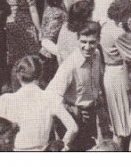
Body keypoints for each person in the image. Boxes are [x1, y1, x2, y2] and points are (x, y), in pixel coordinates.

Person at [0, 55, 78, 151]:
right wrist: (63, 145)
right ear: (40, 75)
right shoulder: (50, 98)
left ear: (18, 76)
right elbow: (73, 128)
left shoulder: (6, 100)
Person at [46, 21, 110, 151]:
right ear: (77, 40)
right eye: (83, 42)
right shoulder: (70, 65)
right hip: (74, 117)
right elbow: (50, 96)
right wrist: (69, 119)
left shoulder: (97, 55)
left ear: (98, 40)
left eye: (91, 42)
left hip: (91, 114)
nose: (87, 47)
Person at [100, 0, 131, 150]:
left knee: (117, 119)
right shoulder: (119, 32)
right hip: (118, 74)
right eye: (128, 13)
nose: (130, 16)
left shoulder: (105, 26)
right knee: (122, 122)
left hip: (109, 72)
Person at [38, 0, 68, 87]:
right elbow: (47, 39)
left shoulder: (50, 8)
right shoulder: (57, 14)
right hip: (52, 56)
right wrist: (61, 54)